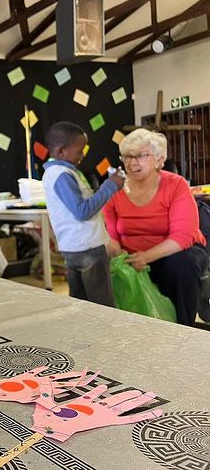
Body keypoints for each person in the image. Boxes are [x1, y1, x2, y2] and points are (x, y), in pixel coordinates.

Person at [103, 128, 208, 325]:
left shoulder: (175, 185)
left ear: (159, 160)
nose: (132, 163)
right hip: (132, 254)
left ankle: (184, 328)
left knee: (181, 265)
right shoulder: (114, 187)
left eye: (141, 156)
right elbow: (110, 229)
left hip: (175, 250)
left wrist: (147, 257)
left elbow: (184, 235)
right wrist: (114, 246)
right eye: (127, 156)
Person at [42, 122, 125, 306]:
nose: (82, 155)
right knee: (102, 303)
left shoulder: (61, 172)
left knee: (80, 302)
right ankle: (105, 334)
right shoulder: (62, 174)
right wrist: (110, 186)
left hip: (73, 247)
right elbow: (82, 211)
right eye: (79, 151)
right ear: (61, 151)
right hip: (87, 246)